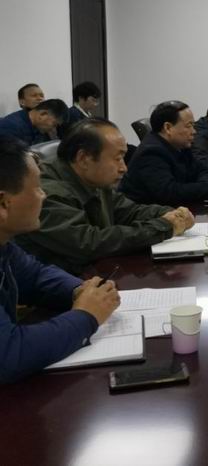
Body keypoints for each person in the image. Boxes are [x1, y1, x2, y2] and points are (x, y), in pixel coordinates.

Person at [0, 136, 120, 383]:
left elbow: (35, 276)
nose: (44, 195)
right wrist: (86, 315)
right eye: (37, 188)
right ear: (3, 203)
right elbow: (8, 354)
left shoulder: (5, 245)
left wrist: (79, 290)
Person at [15, 118, 194, 274]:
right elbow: (89, 244)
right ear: (84, 158)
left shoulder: (94, 179)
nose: (124, 168)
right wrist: (164, 226)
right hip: (59, 290)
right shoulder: (46, 193)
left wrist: (172, 214)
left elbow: (128, 211)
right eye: (117, 158)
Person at [120, 100, 208, 206]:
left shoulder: (181, 145)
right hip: (147, 214)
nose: (194, 131)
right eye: (189, 126)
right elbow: (170, 192)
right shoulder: (151, 153)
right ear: (168, 128)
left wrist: (206, 183)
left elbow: (201, 169)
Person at [0, 99, 68, 146]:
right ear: (43, 114)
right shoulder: (11, 127)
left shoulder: (38, 126)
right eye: (54, 124)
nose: (53, 129)